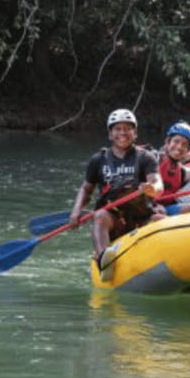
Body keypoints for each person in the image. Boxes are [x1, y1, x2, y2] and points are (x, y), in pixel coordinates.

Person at [69, 109, 164, 275]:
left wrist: (152, 189)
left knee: (159, 219)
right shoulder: (98, 160)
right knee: (99, 216)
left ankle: (160, 261)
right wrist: (76, 210)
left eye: (127, 128)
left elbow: (157, 183)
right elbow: (86, 189)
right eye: (117, 129)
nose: (123, 133)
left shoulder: (146, 157)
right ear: (110, 134)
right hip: (115, 221)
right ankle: (105, 261)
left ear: (135, 133)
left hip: (141, 218)